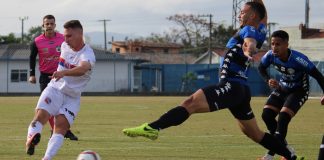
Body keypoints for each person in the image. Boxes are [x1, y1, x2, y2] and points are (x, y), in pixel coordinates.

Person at [123, 1, 303, 160]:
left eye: (242, 11)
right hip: (240, 90)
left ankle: (153, 128)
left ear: (252, 15)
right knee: (255, 134)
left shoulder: (248, 30)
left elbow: (249, 41)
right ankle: (290, 156)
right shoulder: (261, 29)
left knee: (190, 103)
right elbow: (262, 15)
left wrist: (249, 49)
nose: (239, 14)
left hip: (231, 86)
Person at [25, 20, 96, 160]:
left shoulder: (88, 54)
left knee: (61, 128)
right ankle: (30, 140)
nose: (65, 39)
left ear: (79, 34)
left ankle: (46, 158)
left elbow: (82, 69)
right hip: (55, 89)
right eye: (65, 35)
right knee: (40, 116)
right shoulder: (64, 45)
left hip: (72, 97)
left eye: (69, 36)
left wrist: (64, 73)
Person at [257, 30, 324, 160]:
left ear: (286, 44)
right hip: (283, 88)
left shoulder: (298, 59)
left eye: (278, 44)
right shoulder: (270, 55)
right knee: (267, 115)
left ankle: (269, 156)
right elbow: (261, 68)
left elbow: (318, 75)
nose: (274, 47)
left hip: (299, 91)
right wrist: (267, 79)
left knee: (283, 118)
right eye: (272, 44)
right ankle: (288, 151)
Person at [29, 14, 78, 141]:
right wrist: (31, 74)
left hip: (61, 76)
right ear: (43, 26)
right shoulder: (37, 41)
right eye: (47, 24)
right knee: (47, 105)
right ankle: (59, 131)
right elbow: (32, 58)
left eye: (52, 23)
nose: (49, 26)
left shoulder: (63, 38)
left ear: (55, 25)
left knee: (63, 105)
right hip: (45, 77)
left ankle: (64, 130)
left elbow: (73, 51)